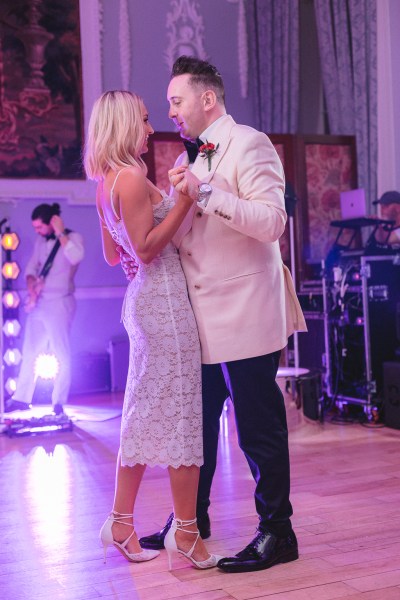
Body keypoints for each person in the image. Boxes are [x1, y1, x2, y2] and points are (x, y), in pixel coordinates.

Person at [135, 55, 307, 574]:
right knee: (198, 430)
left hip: (245, 314)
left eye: (176, 101)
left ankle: (279, 531)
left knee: (258, 431)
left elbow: (272, 222)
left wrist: (204, 191)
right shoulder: (198, 157)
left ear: (207, 99)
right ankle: (192, 522)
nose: (171, 112)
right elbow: (191, 238)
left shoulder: (250, 143)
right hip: (201, 324)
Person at [83, 90, 221, 569]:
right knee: (183, 415)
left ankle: (121, 521)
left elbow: (113, 255)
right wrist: (183, 201)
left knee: (141, 412)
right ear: (123, 124)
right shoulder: (134, 177)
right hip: (163, 304)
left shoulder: (105, 182)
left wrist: (138, 250)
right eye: (142, 120)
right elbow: (144, 250)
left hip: (141, 302)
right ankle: (186, 533)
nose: (148, 128)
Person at [4, 203, 84, 415]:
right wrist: (31, 282)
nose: (37, 231)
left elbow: (76, 257)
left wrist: (60, 233)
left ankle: (58, 402)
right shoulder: (40, 241)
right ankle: (22, 398)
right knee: (30, 349)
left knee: (61, 352)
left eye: (40, 227)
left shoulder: (73, 238)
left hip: (60, 301)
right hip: (39, 302)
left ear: (51, 222)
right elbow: (31, 267)